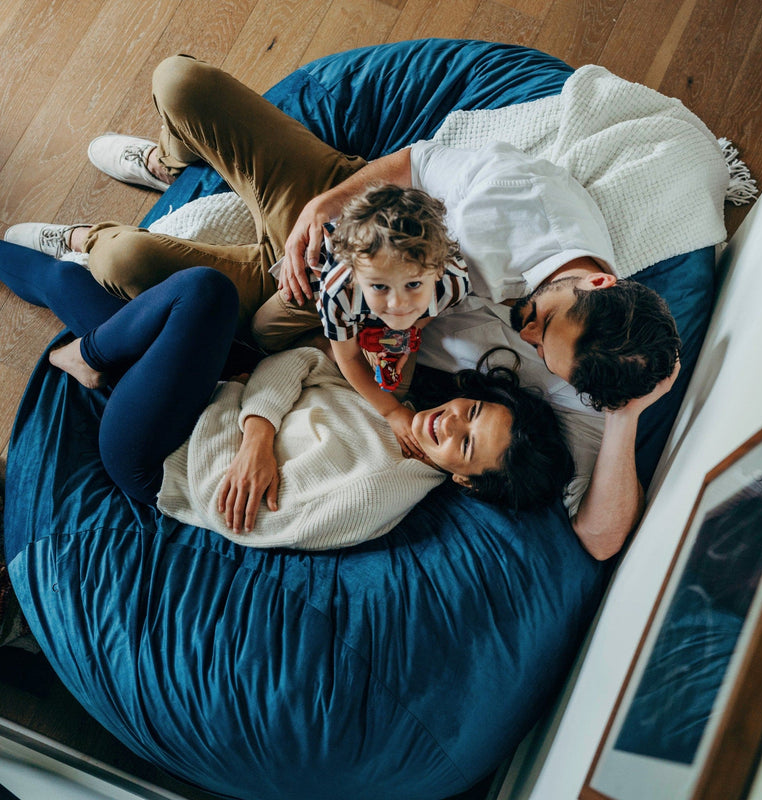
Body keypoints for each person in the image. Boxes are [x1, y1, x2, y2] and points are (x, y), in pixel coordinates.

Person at [2, 54, 680, 558]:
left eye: (542, 356)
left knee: (125, 264)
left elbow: (601, 538)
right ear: (597, 286)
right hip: (363, 229)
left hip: (298, 342)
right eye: (544, 322)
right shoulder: (526, 198)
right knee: (181, 83)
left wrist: (627, 415)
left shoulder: (576, 388)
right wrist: (324, 210)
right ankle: (172, 165)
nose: (526, 334)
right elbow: (414, 164)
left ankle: (87, 244)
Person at [0, 244, 574, 548]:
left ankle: (90, 357)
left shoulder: (376, 493)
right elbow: (297, 362)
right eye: (471, 412)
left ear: (466, 481)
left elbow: (243, 514)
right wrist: (259, 433)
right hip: (210, 394)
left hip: (162, 456)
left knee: (205, 293)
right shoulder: (397, 401)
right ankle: (96, 352)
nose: (448, 423)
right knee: (66, 281)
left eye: (465, 445)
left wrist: (247, 431)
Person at [253, 183, 470, 456]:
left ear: (437, 271)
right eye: (380, 287)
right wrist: (391, 413)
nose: (398, 304)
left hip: (368, 320)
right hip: (319, 291)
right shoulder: (339, 290)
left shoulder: (453, 283)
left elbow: (430, 310)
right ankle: (334, 339)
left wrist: (407, 333)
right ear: (356, 277)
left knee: (393, 390)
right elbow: (349, 359)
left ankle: (336, 339)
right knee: (263, 332)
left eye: (413, 284)